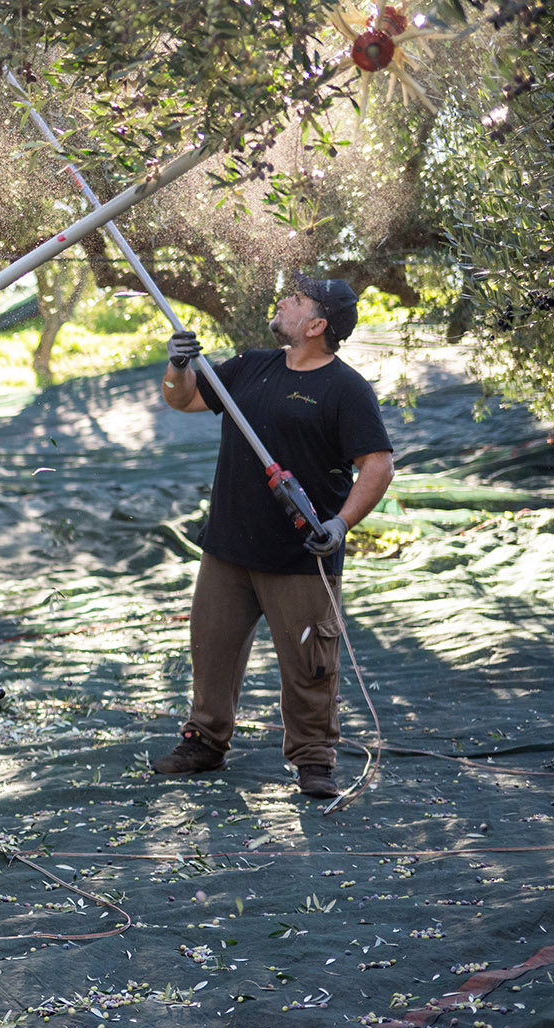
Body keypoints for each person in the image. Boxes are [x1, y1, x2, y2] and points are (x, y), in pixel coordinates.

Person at [153, 273, 395, 798]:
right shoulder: (250, 366)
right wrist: (177, 367)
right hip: (229, 549)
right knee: (211, 655)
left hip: (301, 556)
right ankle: (204, 742)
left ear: (317, 326)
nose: (283, 300)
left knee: (311, 665)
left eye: (298, 299)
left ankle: (314, 760)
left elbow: (377, 466)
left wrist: (339, 524)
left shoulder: (346, 389)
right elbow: (182, 400)